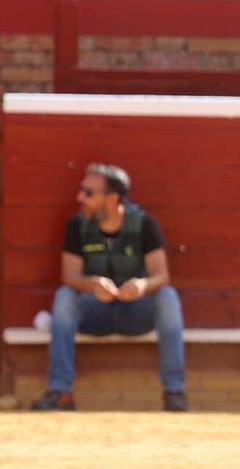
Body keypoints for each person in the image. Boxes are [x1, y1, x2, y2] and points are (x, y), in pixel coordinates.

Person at [31, 164, 187, 413]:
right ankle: (61, 392)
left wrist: (141, 285)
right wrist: (92, 284)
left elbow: (162, 276)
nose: (80, 197)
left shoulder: (144, 224)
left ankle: (174, 392)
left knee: (167, 297)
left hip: (135, 311)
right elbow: (69, 276)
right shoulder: (77, 225)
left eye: (88, 192)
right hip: (95, 312)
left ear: (112, 199)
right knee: (65, 296)